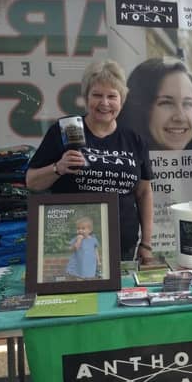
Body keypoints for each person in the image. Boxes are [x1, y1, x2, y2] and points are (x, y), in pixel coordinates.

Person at [26, 60, 154, 260]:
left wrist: (146, 243)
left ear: (122, 100)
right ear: (86, 98)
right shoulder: (65, 130)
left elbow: (144, 192)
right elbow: (32, 181)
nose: (104, 103)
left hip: (123, 247)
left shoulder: (134, 140)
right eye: (97, 95)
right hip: (71, 246)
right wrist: (58, 168)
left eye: (112, 96)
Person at [118, 57, 192, 150]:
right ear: (139, 110)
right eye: (166, 103)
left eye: (188, 104)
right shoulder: (112, 162)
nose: (180, 117)